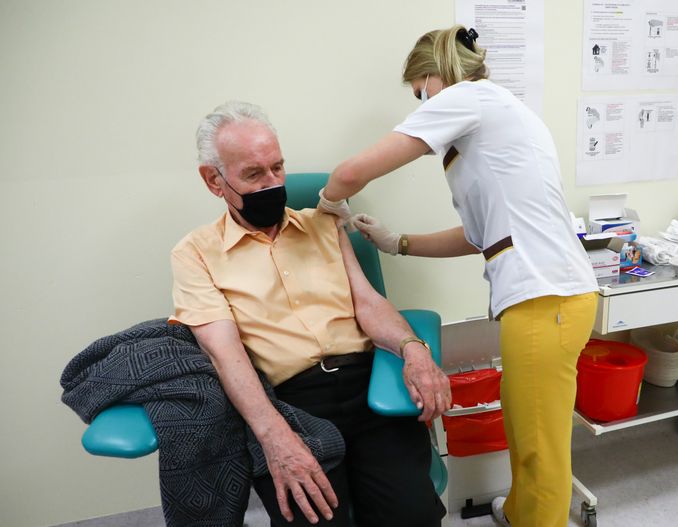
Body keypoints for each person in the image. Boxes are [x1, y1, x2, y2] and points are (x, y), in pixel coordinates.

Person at [317, 26, 599, 527]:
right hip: (551, 298)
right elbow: (478, 236)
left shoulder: (468, 98)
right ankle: (518, 512)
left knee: (541, 447)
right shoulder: (494, 119)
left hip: (546, 300)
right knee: (526, 425)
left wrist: (329, 200)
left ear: (432, 77)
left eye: (418, 92)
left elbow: (352, 172)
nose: (419, 103)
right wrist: (397, 242)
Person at [170, 101, 451, 527]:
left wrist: (413, 348)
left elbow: (368, 303)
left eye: (277, 168)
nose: (272, 182)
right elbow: (225, 354)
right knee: (315, 518)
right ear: (214, 181)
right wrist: (273, 437)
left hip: (366, 385)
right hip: (290, 406)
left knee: (412, 516)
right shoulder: (195, 254)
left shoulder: (322, 224)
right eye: (253, 174)